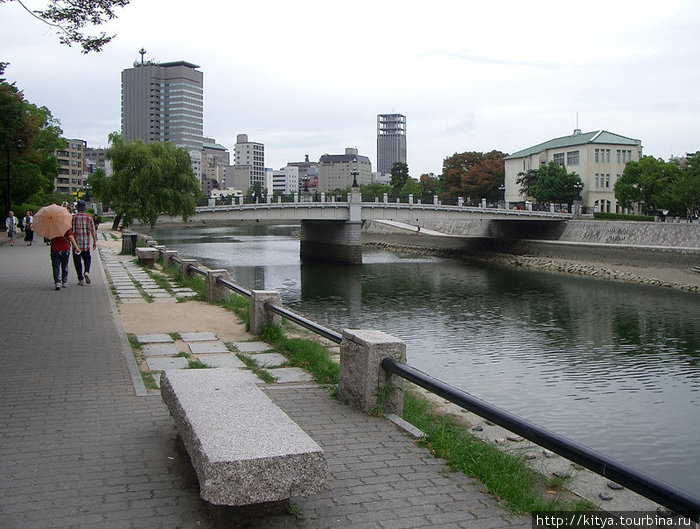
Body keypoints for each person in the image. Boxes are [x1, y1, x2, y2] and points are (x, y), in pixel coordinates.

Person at [71, 200, 97, 286]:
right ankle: (86, 272)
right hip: (86, 243)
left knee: (77, 261)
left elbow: (71, 230)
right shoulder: (89, 217)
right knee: (87, 258)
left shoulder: (73, 218)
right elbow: (93, 230)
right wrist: (94, 242)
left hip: (76, 244)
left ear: (77, 208)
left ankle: (80, 279)